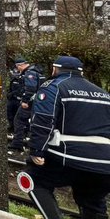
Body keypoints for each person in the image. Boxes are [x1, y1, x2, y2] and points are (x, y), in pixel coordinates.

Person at [23, 56, 110, 219]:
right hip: (105, 163)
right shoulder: (103, 93)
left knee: (33, 178)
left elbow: (43, 119)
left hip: (69, 157)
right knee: (92, 201)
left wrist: (37, 150)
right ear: (81, 72)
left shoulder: (53, 87)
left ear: (55, 69)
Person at [8, 57, 44, 152]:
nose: (17, 69)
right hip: (37, 101)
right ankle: (27, 140)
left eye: (17, 66)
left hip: (30, 102)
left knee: (18, 120)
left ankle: (17, 144)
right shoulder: (37, 72)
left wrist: (25, 101)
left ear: (20, 65)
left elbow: (30, 89)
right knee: (29, 121)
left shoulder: (30, 73)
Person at [6, 60, 22, 133]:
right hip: (12, 99)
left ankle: (17, 130)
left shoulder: (22, 78)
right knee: (10, 114)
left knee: (18, 116)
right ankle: (11, 127)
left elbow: (21, 89)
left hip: (18, 99)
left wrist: (12, 93)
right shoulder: (13, 80)